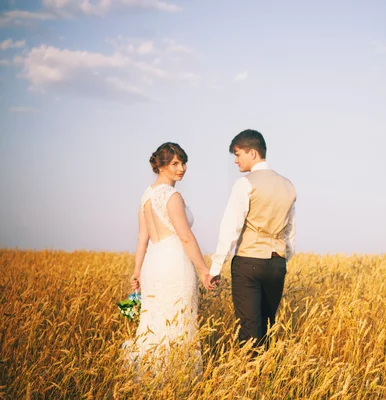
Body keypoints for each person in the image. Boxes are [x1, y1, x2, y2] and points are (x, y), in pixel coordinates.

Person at [123, 142, 215, 372]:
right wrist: (204, 270)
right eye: (175, 163)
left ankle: (149, 374)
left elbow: (142, 238)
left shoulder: (146, 196)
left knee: (154, 320)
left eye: (183, 162)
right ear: (161, 165)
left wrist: (137, 272)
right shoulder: (172, 196)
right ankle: (175, 377)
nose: (181, 168)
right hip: (175, 264)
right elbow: (185, 236)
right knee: (178, 320)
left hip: (153, 265)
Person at [208, 129, 296, 349]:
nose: (236, 161)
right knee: (268, 324)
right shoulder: (288, 186)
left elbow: (231, 226)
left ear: (253, 153)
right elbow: (290, 230)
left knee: (249, 328)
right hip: (277, 262)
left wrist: (216, 266)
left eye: (238, 154)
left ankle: (251, 378)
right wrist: (283, 258)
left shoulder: (245, 184)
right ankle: (267, 376)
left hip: (249, 261)